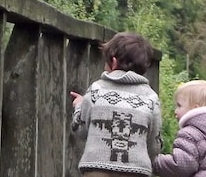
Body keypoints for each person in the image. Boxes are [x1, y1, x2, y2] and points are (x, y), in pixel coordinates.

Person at [70, 31, 163, 176]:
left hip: (97, 168)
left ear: (113, 62)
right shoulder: (150, 98)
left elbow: (81, 130)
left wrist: (79, 106)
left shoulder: (97, 90)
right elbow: (154, 143)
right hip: (136, 170)